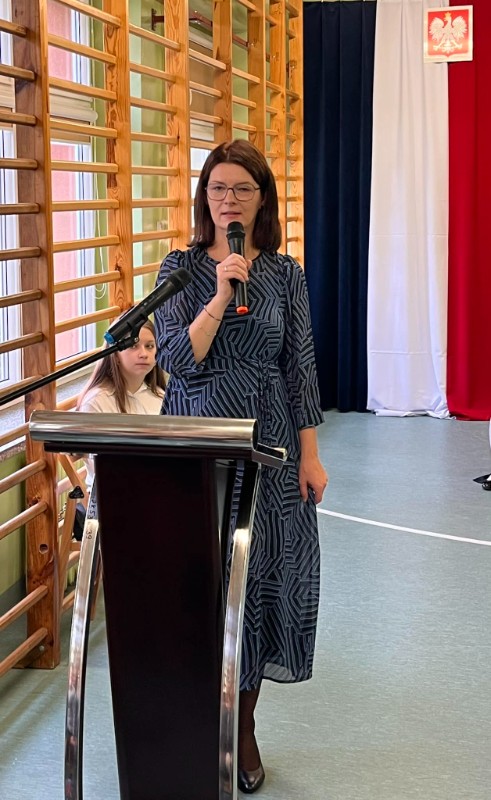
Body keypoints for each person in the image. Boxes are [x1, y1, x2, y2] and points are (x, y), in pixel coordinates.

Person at [154, 140, 328, 794]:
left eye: (242, 189)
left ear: (262, 200)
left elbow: (300, 366)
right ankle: (198, 717)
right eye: (218, 188)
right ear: (204, 197)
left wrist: (311, 454)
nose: (228, 199)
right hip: (196, 437)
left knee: (261, 582)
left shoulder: (285, 273)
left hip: (270, 439)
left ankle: (243, 723)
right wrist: (221, 294)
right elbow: (177, 359)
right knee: (197, 584)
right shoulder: (179, 267)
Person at [76, 318, 166, 488]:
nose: (143, 354)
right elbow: (102, 468)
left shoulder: (162, 397)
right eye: (133, 346)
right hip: (113, 491)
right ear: (115, 355)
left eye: (149, 346)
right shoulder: (97, 401)